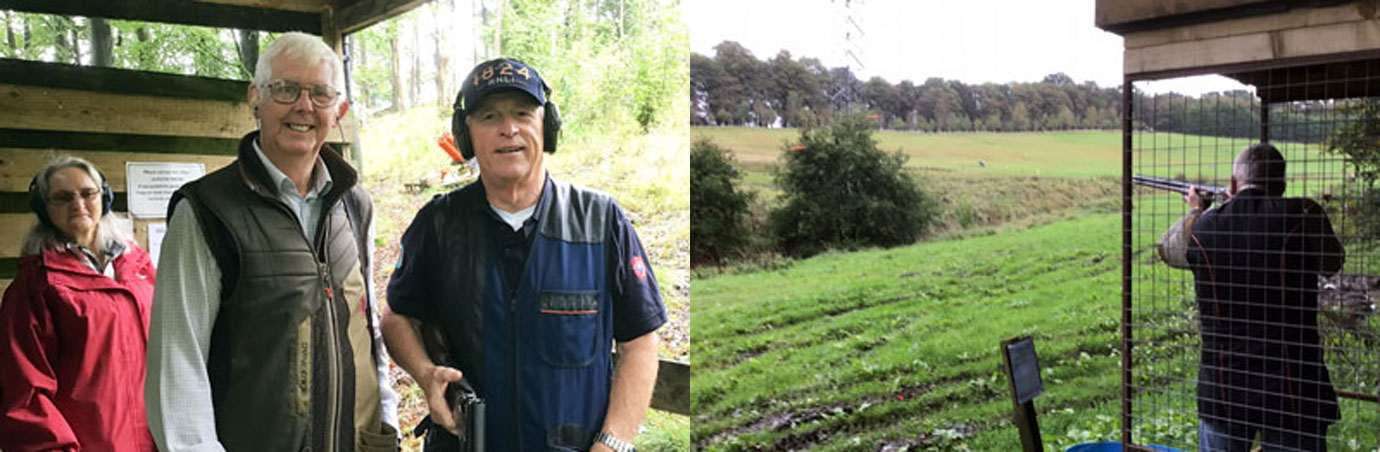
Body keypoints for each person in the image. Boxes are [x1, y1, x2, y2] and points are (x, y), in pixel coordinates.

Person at [383, 58, 666, 452]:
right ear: (466, 136)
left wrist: (612, 442)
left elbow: (640, 343)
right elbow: (397, 316)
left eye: (522, 113)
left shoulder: (601, 221)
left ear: (546, 126)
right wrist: (425, 372)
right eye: (489, 116)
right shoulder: (438, 223)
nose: (508, 128)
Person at [145, 32, 398, 451]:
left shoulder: (355, 204)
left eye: (320, 93)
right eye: (285, 89)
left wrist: (386, 421)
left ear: (339, 111)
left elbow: (366, 326)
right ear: (255, 99)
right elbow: (177, 369)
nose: (304, 106)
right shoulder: (206, 212)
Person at [1159, 143, 1344, 451]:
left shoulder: (1203, 225)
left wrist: (1197, 208)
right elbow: (1332, 262)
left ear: (1233, 183)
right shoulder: (1304, 214)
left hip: (1224, 386)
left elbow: (1167, 249)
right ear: (1282, 185)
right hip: (1293, 385)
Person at [0, 156, 157, 451]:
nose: (78, 204)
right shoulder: (36, 286)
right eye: (62, 197)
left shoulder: (140, 269)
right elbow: (25, 389)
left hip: (155, 442)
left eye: (87, 193)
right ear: (43, 209)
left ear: (105, 198)